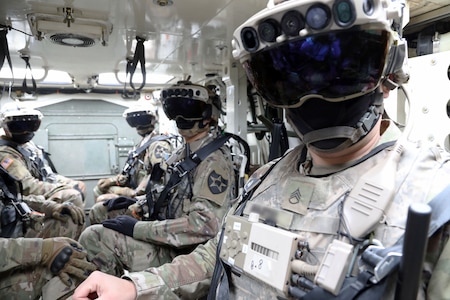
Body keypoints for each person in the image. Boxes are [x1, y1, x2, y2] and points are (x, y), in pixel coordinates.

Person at [74, 0, 450, 299]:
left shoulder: (433, 198)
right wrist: (136, 286)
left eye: (343, 73)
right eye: (291, 80)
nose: (313, 94)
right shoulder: (267, 179)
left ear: (389, 74)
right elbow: (219, 255)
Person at [78, 81, 237, 277]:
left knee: (94, 237)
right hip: (168, 235)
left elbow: (205, 225)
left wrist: (139, 229)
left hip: (188, 254)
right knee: (101, 211)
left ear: (208, 115)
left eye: (187, 110)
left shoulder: (213, 161)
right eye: (174, 110)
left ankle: (115, 288)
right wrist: (138, 204)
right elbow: (166, 194)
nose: (179, 118)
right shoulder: (183, 153)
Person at [0, 163, 96, 300]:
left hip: (10, 238)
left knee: (68, 220)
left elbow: (11, 199)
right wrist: (43, 251)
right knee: (67, 273)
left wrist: (50, 207)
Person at [89, 102, 175, 224]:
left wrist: (133, 193)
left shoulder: (158, 144)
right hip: (135, 190)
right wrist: (113, 181)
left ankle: (105, 229)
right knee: (98, 189)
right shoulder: (141, 144)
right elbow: (132, 171)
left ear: (153, 119)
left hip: (144, 197)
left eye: (142, 119)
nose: (139, 124)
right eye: (134, 121)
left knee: (101, 202)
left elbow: (159, 173)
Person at [0, 103, 85, 208]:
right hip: (20, 200)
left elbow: (47, 175)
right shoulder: (5, 154)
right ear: (5, 127)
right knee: (72, 195)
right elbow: (28, 186)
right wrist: (63, 188)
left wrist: (70, 183)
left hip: (35, 194)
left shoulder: (29, 147)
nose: (26, 131)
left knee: (79, 186)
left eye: (31, 125)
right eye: (18, 127)